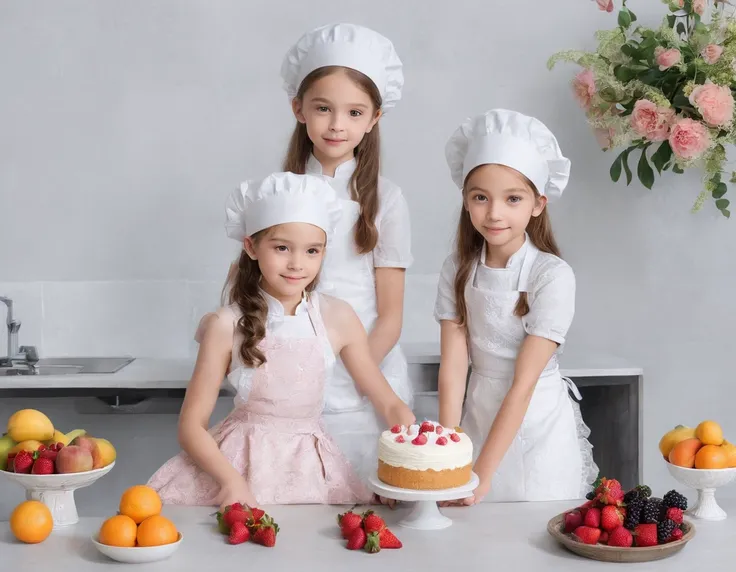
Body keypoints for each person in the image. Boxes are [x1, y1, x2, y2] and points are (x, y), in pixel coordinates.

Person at [148, 172, 415, 507]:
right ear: (251, 246)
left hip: (313, 470)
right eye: (282, 248)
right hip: (237, 464)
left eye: (312, 251)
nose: (296, 264)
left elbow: (388, 403)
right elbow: (190, 426)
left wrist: (409, 453)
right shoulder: (226, 324)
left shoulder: (338, 317)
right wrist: (231, 481)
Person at [435, 109, 598, 504]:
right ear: (465, 200)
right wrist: (447, 451)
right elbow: (454, 368)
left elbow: (523, 385)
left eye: (513, 199)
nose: (494, 213)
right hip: (479, 411)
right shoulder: (458, 268)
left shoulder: (552, 275)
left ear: (538, 203)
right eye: (480, 198)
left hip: (536, 419)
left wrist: (482, 475)